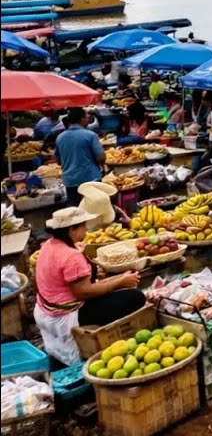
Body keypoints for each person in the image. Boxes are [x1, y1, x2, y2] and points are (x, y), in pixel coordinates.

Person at [33, 207, 146, 364]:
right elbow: (83, 293)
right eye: (83, 226)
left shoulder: (48, 245)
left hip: (47, 307)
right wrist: (120, 282)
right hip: (66, 314)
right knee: (135, 297)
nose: (86, 229)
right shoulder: (71, 256)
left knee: (119, 288)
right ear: (72, 230)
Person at [54, 107, 105, 203]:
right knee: (96, 206)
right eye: (86, 118)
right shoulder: (90, 135)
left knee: (76, 211)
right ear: (82, 119)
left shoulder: (60, 138)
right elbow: (101, 156)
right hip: (90, 178)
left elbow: (58, 161)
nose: (88, 120)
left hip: (70, 181)